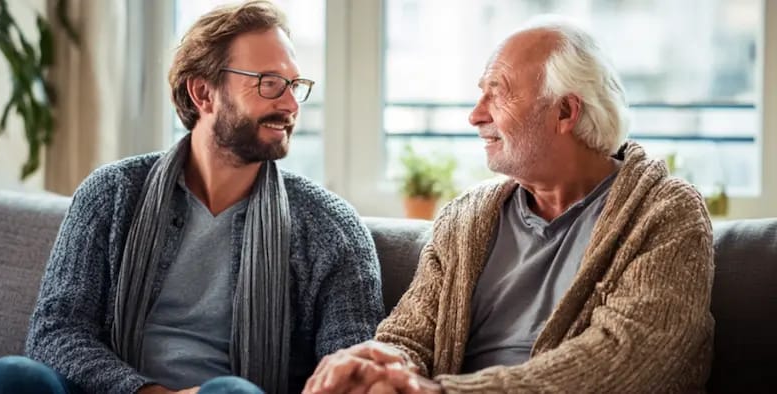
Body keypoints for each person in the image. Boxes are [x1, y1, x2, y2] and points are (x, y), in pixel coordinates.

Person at [0, 1, 384, 394]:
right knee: (10, 376)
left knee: (230, 393)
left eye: (295, 85)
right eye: (270, 83)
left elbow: (350, 367)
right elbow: (55, 332)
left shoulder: (331, 228)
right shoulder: (112, 193)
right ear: (203, 93)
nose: (291, 104)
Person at [303, 15, 714, 394]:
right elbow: (410, 337)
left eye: (496, 95)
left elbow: (629, 360)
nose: (475, 115)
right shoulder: (465, 219)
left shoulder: (665, 211)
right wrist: (378, 365)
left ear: (565, 111)